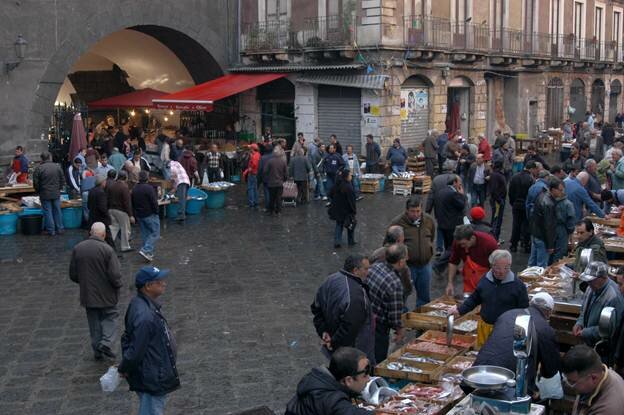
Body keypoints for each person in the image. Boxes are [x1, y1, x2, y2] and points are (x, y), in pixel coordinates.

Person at [118, 266, 180, 415]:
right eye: (159, 281)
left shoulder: (139, 303)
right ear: (148, 286)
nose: (164, 283)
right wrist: (124, 367)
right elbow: (136, 349)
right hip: (152, 376)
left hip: (151, 372)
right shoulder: (145, 316)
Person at [474, 293, 560, 398]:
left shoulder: (508, 313)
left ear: (530, 303)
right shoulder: (545, 329)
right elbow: (550, 371)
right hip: (511, 384)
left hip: (479, 373)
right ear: (549, 312)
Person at [449, 250, 529, 347]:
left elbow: (524, 312)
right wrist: (460, 310)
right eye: (498, 268)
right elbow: (474, 299)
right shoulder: (485, 280)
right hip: (485, 328)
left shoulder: (518, 286)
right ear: (491, 265)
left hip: (506, 330)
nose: (502, 272)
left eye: (506, 268)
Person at [69, 222, 122, 360]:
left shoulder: (78, 248)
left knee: (94, 322)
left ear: (90, 233)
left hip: (88, 294)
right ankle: (106, 343)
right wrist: (118, 285)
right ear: (104, 235)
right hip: (106, 293)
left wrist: (85, 283)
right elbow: (114, 275)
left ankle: (97, 350)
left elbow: (73, 274)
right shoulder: (107, 250)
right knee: (110, 316)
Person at [311, 255, 374, 364]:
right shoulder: (355, 294)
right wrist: (334, 342)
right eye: (366, 269)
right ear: (355, 270)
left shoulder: (330, 280)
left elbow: (316, 308)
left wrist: (324, 331)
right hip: (351, 351)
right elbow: (350, 328)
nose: (368, 272)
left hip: (334, 342)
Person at [285, 347, 372, 415]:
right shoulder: (331, 400)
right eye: (365, 374)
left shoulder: (319, 378)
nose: (368, 379)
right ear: (348, 380)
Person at [389, 195, 436, 307]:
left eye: (418, 211)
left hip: (425, 265)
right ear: (406, 210)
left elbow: (431, 237)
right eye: (412, 211)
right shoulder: (397, 222)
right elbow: (388, 245)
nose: (415, 214)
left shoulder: (429, 220)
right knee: (402, 295)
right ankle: (402, 318)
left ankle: (421, 318)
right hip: (407, 267)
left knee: (424, 297)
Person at [367, 244, 407, 363]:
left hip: (366, 319)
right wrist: (399, 331)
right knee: (378, 360)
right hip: (379, 327)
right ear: (400, 262)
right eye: (405, 259)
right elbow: (394, 316)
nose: (407, 261)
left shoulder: (375, 266)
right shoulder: (394, 283)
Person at [573, 262, 624, 349]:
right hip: (589, 342)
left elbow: (611, 328)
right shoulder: (591, 288)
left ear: (603, 278)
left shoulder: (614, 297)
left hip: (603, 348)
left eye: (592, 280)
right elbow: (583, 310)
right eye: (588, 280)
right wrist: (579, 323)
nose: (589, 283)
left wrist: (586, 332)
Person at [561, 345, 624, 414]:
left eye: (572, 382)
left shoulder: (607, 410)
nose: (568, 385)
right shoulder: (601, 371)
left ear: (593, 378)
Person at [446, 224, 499, 297]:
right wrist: (450, 283)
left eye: (463, 244)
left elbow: (498, 266)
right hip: (469, 284)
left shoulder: (489, 243)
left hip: (487, 281)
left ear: (472, 238)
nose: (461, 246)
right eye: (460, 244)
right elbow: (453, 262)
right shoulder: (457, 243)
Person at [370, 226, 413, 306]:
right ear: (399, 240)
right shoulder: (400, 257)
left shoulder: (377, 252)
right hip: (395, 298)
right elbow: (406, 284)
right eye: (403, 237)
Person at [529, 177, 563, 267]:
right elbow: (548, 226)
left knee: (532, 262)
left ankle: (526, 279)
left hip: (536, 234)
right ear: (553, 189)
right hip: (542, 238)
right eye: (560, 190)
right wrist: (550, 245)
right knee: (541, 265)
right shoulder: (549, 203)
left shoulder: (542, 195)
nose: (561, 192)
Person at [33, 152, 65, 236]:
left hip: (45, 193)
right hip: (56, 192)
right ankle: (60, 229)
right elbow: (62, 179)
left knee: (48, 212)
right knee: (57, 211)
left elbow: (36, 183)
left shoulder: (39, 168)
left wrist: (39, 191)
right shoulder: (57, 167)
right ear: (50, 157)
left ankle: (51, 230)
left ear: (41, 159)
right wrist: (59, 188)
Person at [508, 161, 537, 253]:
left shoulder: (514, 177)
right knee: (526, 225)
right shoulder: (531, 179)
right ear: (531, 169)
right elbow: (532, 194)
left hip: (516, 204)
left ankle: (513, 244)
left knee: (516, 225)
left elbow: (510, 192)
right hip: (526, 205)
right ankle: (526, 244)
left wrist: (513, 202)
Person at [132, 171, 160, 262]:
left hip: (140, 215)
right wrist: (156, 211)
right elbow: (154, 201)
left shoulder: (135, 188)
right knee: (155, 233)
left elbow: (132, 202)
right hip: (150, 214)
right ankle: (146, 250)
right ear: (147, 178)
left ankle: (147, 253)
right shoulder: (149, 188)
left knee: (145, 234)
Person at [434, 174, 466, 250]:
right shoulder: (453, 194)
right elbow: (461, 205)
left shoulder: (440, 191)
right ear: (454, 182)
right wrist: (461, 195)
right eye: (459, 182)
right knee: (452, 248)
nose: (460, 184)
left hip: (442, 223)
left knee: (447, 246)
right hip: (451, 225)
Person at [329, 169, 357, 248]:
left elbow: (330, 193)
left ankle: (337, 241)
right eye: (350, 175)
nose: (351, 176)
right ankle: (351, 241)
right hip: (347, 210)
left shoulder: (337, 184)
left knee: (339, 225)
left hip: (338, 209)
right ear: (347, 176)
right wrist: (354, 210)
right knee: (350, 224)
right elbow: (352, 200)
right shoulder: (348, 187)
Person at [107, 170, 134, 253]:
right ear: (125, 178)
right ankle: (125, 246)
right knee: (125, 229)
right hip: (121, 211)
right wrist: (130, 215)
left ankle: (108, 244)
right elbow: (127, 202)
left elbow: (107, 198)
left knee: (113, 228)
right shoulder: (124, 187)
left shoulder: (112, 186)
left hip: (111, 210)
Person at [263, 145, 288, 216]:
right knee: (279, 198)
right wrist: (284, 180)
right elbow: (286, 173)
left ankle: (271, 211)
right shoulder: (283, 162)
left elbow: (265, 171)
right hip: (279, 183)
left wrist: (267, 178)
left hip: (271, 183)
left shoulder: (269, 161)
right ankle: (279, 211)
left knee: (272, 198)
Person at [87, 175, 113, 244]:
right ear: (102, 182)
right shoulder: (101, 193)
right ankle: (112, 251)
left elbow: (88, 205)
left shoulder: (91, 190)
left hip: (92, 217)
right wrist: (108, 216)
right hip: (101, 218)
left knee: (92, 235)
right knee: (108, 236)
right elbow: (103, 208)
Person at [488, 161, 507, 241]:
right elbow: (493, 190)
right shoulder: (496, 175)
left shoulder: (496, 175)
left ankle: (495, 237)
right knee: (496, 220)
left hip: (498, 200)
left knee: (497, 219)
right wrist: (499, 200)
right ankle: (494, 238)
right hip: (497, 201)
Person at [243, 143, 260, 208]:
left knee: (250, 188)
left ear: (252, 149)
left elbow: (253, 165)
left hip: (252, 174)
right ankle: (256, 201)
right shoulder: (258, 154)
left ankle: (251, 202)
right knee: (255, 188)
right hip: (256, 174)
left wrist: (246, 171)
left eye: (250, 148)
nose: (249, 149)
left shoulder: (254, 156)